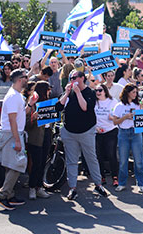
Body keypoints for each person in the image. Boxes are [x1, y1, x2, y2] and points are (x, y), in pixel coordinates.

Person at [55, 69, 109, 200]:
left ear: (82, 78)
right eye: (71, 78)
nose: (72, 81)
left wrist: (78, 93)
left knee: (91, 159)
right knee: (72, 161)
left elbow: (85, 108)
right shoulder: (68, 92)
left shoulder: (89, 92)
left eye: (74, 78)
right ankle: (72, 188)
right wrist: (67, 93)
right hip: (70, 132)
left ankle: (98, 184)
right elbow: (58, 107)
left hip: (86, 132)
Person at [0, 69, 31, 209]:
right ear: (20, 79)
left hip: (14, 133)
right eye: (26, 77)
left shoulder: (17, 95)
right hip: (11, 134)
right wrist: (16, 140)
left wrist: (31, 104)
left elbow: (21, 114)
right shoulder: (13, 96)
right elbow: (12, 120)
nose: (27, 79)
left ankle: (10, 195)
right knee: (18, 165)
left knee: (12, 165)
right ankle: (2, 195)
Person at [112, 83, 143, 193]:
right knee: (123, 160)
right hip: (123, 133)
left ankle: (141, 183)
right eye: (133, 92)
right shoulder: (119, 106)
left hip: (135, 132)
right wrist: (126, 117)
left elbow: (142, 119)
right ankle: (122, 183)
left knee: (139, 160)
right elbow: (115, 122)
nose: (135, 94)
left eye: (136, 92)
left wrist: (141, 108)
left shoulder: (137, 104)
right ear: (127, 93)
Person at [25, 81, 52, 200]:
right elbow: (26, 124)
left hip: (46, 135)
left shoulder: (49, 103)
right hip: (35, 137)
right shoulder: (32, 104)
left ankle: (39, 187)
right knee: (36, 163)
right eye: (48, 89)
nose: (49, 91)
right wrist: (33, 118)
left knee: (42, 163)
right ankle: (32, 187)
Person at [94, 82, 119, 187]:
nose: (98, 92)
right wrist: (95, 127)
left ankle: (115, 177)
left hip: (111, 130)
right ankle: (102, 176)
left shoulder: (113, 101)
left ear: (105, 91)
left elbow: (117, 116)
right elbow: (90, 116)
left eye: (100, 90)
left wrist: (112, 118)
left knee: (111, 154)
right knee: (99, 155)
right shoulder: (94, 102)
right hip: (97, 131)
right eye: (96, 91)